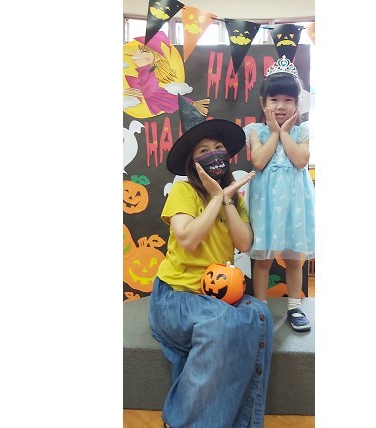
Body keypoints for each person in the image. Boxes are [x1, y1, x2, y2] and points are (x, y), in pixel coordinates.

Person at [148, 95, 273, 428]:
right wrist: (216, 198)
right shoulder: (184, 192)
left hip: (217, 293)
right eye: (203, 151)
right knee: (223, 322)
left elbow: (243, 243)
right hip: (176, 295)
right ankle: (183, 421)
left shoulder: (234, 199)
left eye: (218, 148)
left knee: (260, 314)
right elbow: (188, 239)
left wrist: (227, 199)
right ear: (193, 164)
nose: (213, 154)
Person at [244, 55, 316, 332]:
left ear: (298, 104)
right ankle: (260, 307)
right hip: (265, 204)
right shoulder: (256, 132)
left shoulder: (302, 131)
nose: (281, 105)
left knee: (294, 259)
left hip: (295, 206)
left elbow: (300, 160)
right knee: (263, 259)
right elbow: (259, 161)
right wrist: (274, 132)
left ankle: (295, 307)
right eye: (274, 99)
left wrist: (285, 133)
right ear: (263, 103)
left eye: (288, 99)